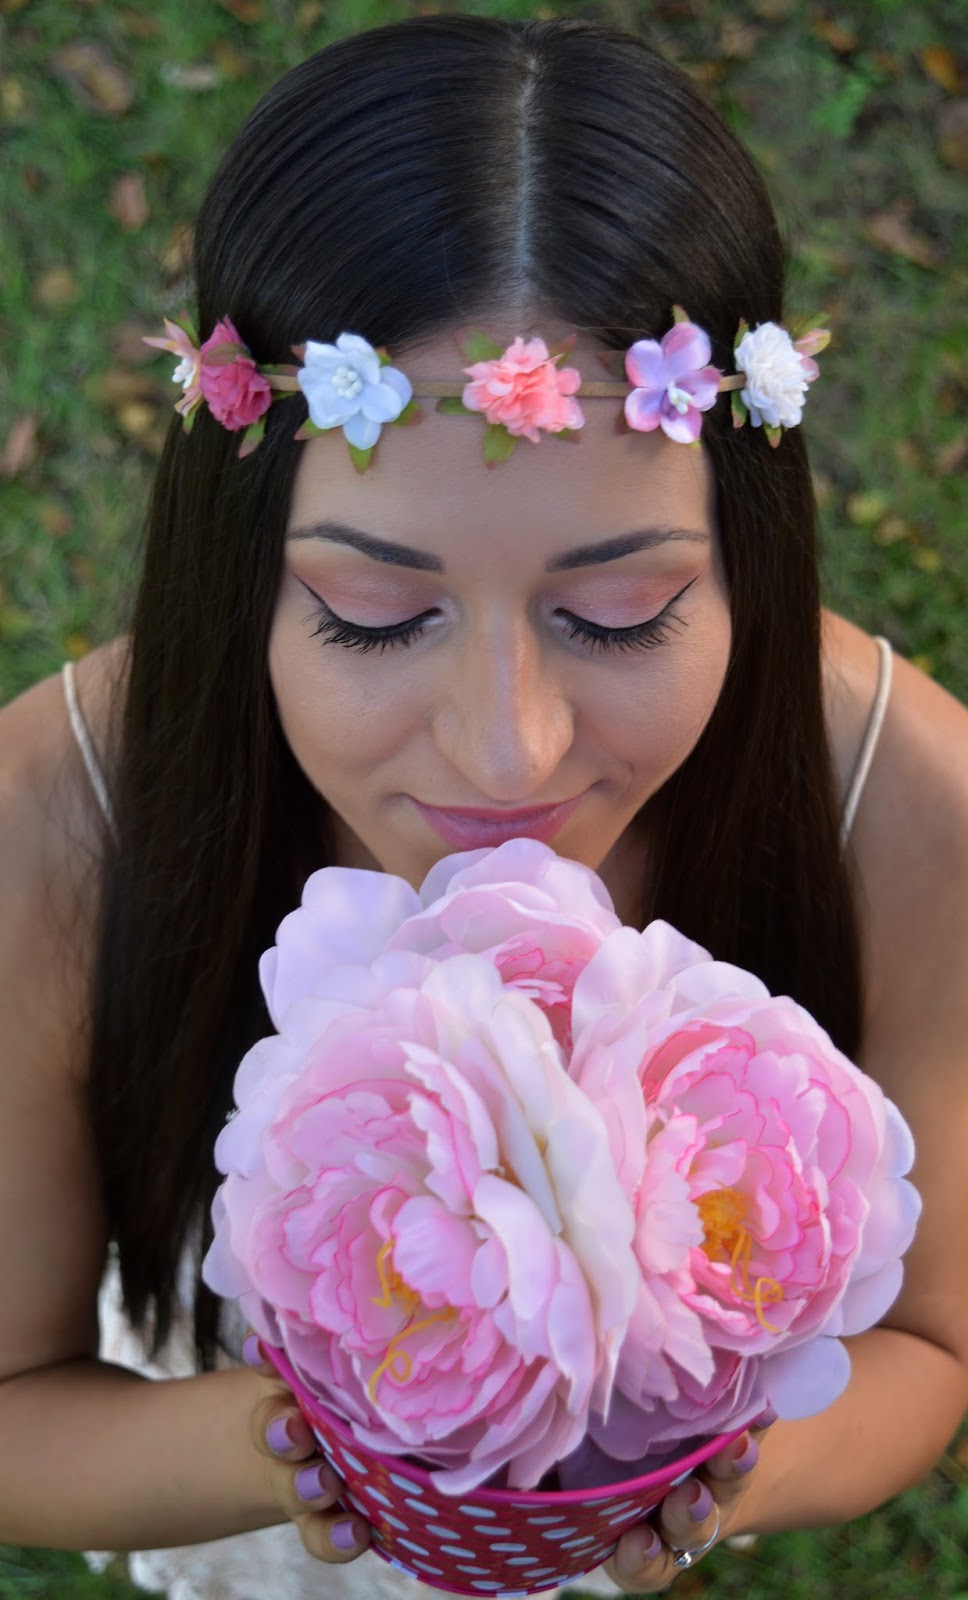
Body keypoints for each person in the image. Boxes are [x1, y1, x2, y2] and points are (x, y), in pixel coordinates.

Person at [1, 11, 966, 1600]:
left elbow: (929, 1339)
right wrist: (324, 1443)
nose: (510, 757)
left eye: (619, 613)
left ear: (748, 550)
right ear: (240, 566)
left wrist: (704, 1468)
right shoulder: (51, 827)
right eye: (375, 618)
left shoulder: (916, 812)